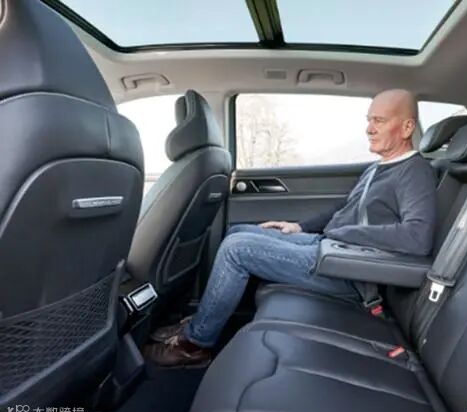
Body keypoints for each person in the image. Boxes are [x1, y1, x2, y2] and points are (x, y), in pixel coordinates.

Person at [146, 89, 437, 366]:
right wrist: (299, 226)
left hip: (352, 271)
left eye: (379, 121)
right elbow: (344, 209)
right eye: (369, 120)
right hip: (332, 248)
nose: (369, 129)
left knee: (237, 250)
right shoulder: (378, 168)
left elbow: (417, 237)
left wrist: (342, 234)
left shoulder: (414, 171)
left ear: (407, 127)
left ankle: (194, 345)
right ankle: (203, 318)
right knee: (239, 232)